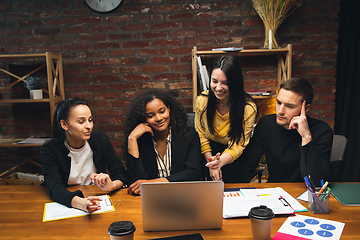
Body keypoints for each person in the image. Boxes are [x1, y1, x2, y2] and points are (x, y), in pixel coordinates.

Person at [240, 78, 333, 186]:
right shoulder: (266, 124)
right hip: (274, 193)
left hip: (305, 194)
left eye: (289, 106)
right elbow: (248, 166)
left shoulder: (322, 131)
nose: (280, 111)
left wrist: (306, 137)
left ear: (306, 108)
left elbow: (317, 182)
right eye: (279, 103)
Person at [40, 98, 128, 213]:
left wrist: (112, 185)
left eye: (90, 120)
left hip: (98, 199)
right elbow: (55, 188)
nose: (89, 126)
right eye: (81, 122)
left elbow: (121, 174)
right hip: (68, 203)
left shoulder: (100, 140)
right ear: (64, 124)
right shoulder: (50, 149)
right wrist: (82, 203)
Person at [124, 90, 203, 195]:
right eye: (151, 115)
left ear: (168, 108)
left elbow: (193, 173)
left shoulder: (189, 135)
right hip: (151, 198)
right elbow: (136, 183)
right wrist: (132, 139)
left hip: (184, 195)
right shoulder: (141, 141)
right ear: (144, 118)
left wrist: (154, 183)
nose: (159, 118)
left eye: (162, 111)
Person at [194, 55, 257, 183]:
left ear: (235, 82)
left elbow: (238, 145)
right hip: (207, 153)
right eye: (214, 81)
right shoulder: (203, 100)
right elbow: (201, 135)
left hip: (234, 158)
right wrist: (211, 162)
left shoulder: (248, 108)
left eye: (225, 83)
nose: (218, 88)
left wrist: (219, 163)